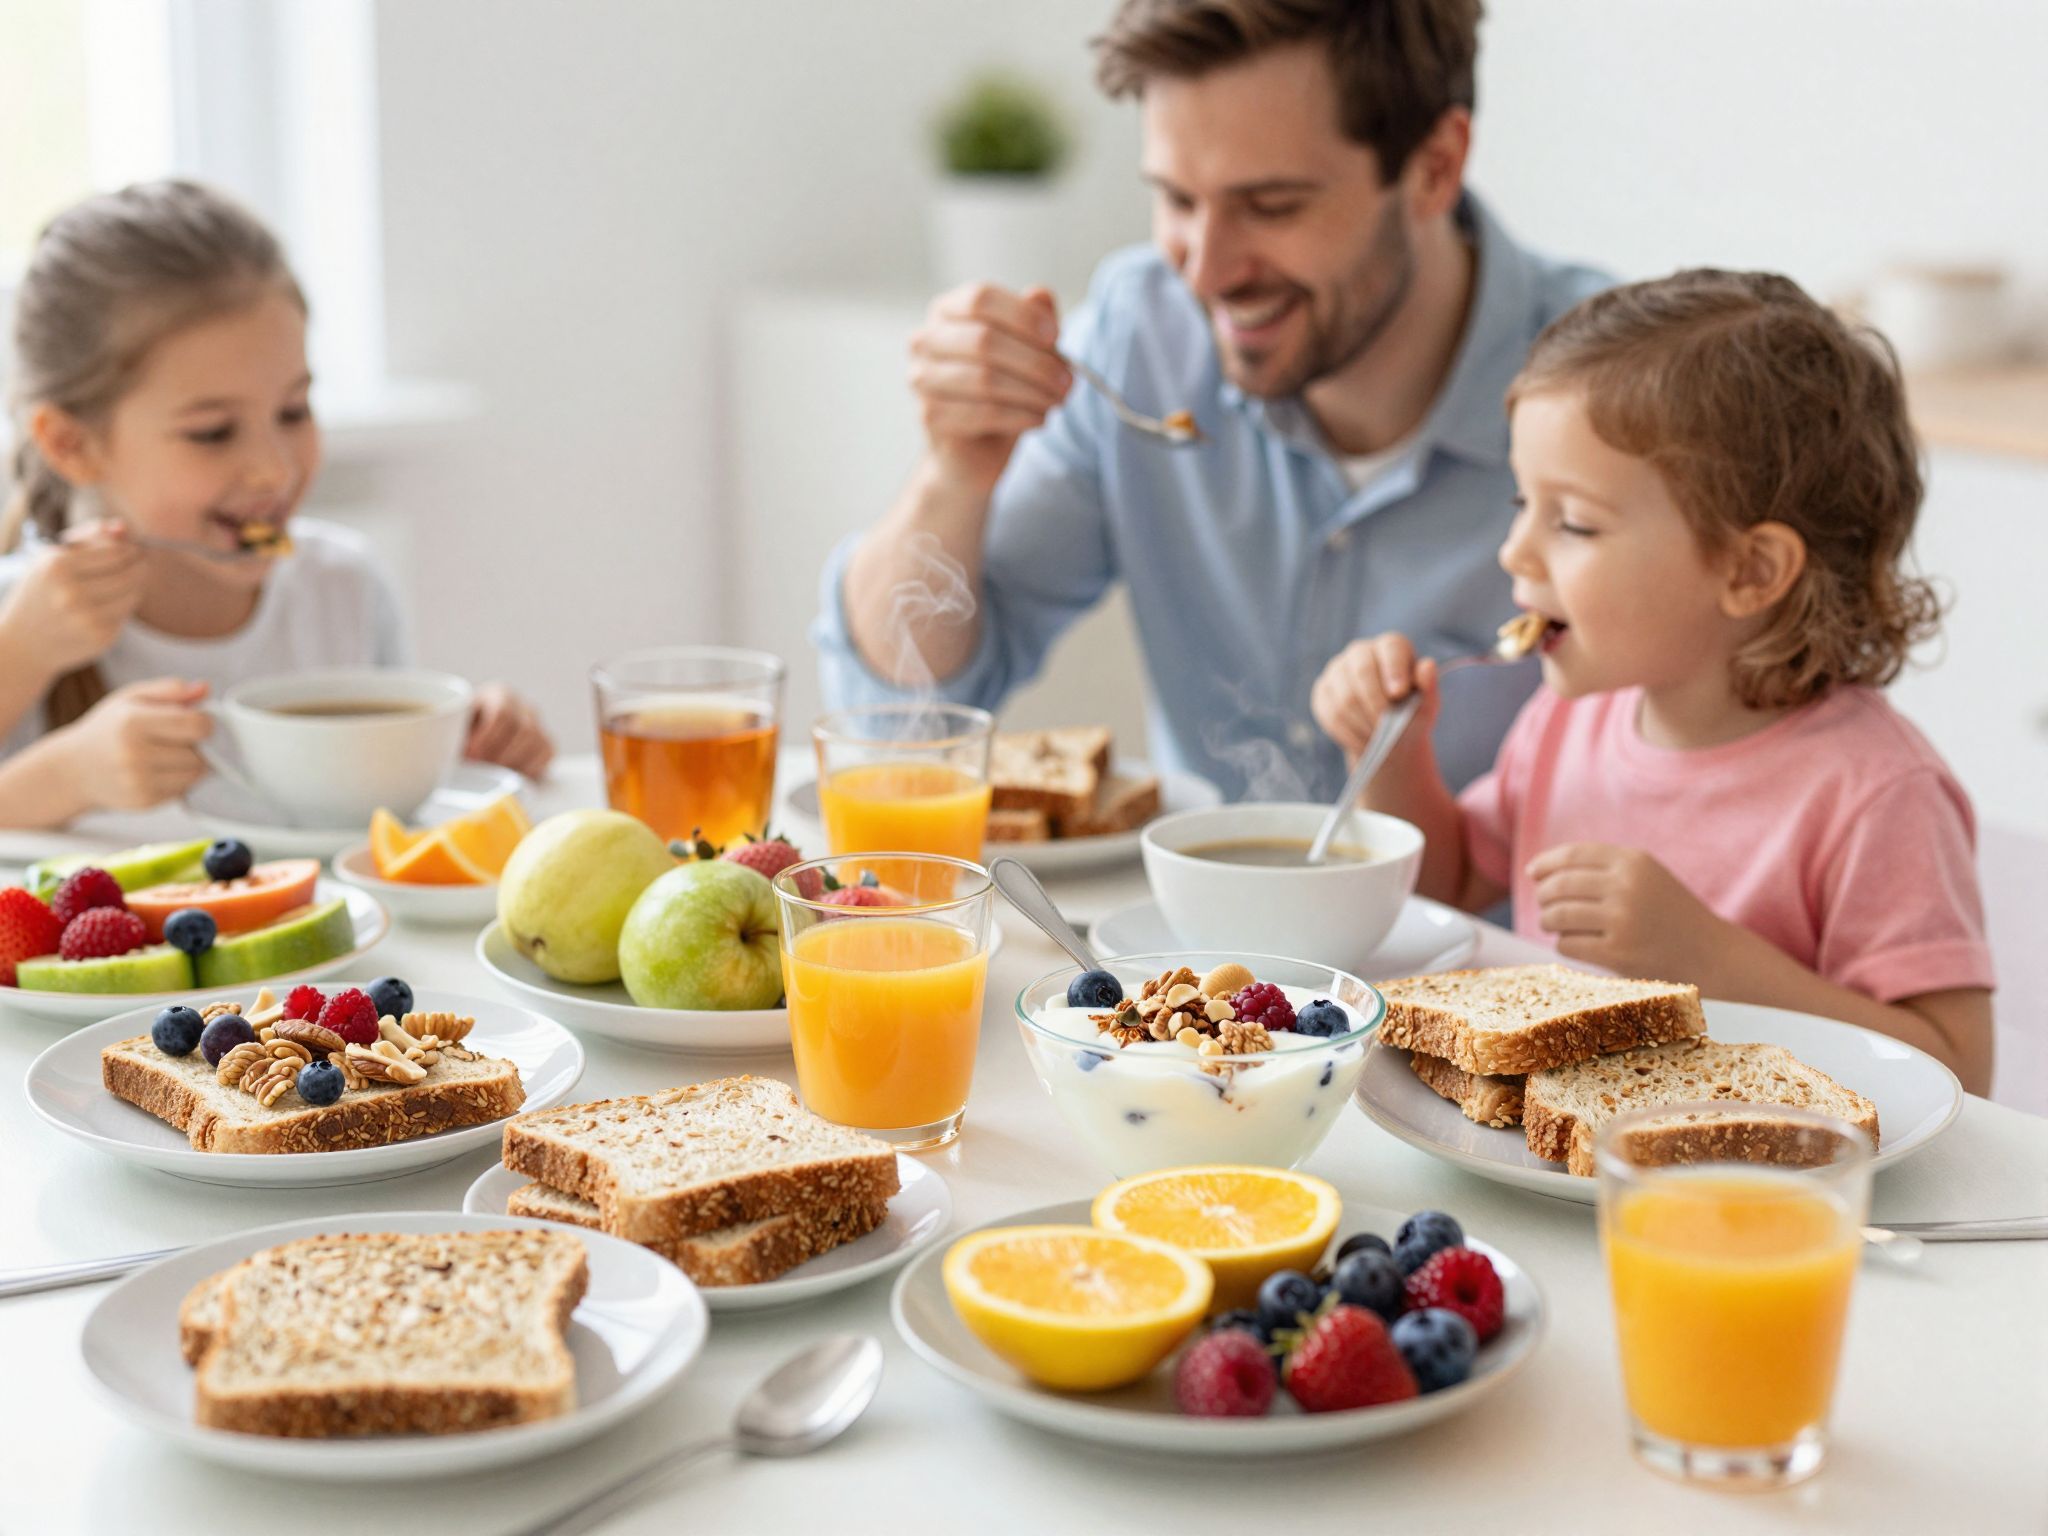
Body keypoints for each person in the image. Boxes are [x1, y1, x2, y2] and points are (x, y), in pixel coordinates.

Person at [813, 0, 1609, 800]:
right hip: (1195, 930)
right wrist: (953, 472)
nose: (1207, 273)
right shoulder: (1140, 341)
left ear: (1435, 167)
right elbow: (897, 722)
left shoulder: (1622, 401)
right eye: (1178, 201)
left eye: (1272, 206)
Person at [1310, 269, 1995, 1091]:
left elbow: (1958, 1068)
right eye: (1521, 502)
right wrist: (1392, 752)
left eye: (1573, 522)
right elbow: (1454, 884)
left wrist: (1709, 958)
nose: (1515, 553)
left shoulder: (1879, 793)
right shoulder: (1573, 723)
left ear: (1749, 569)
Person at [0, 180, 553, 829]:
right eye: (212, 432)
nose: (276, 468)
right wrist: (62, 768)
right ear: (71, 444)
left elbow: (392, 827)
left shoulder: (344, 586)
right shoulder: (23, 614)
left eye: (293, 411)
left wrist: (473, 740)